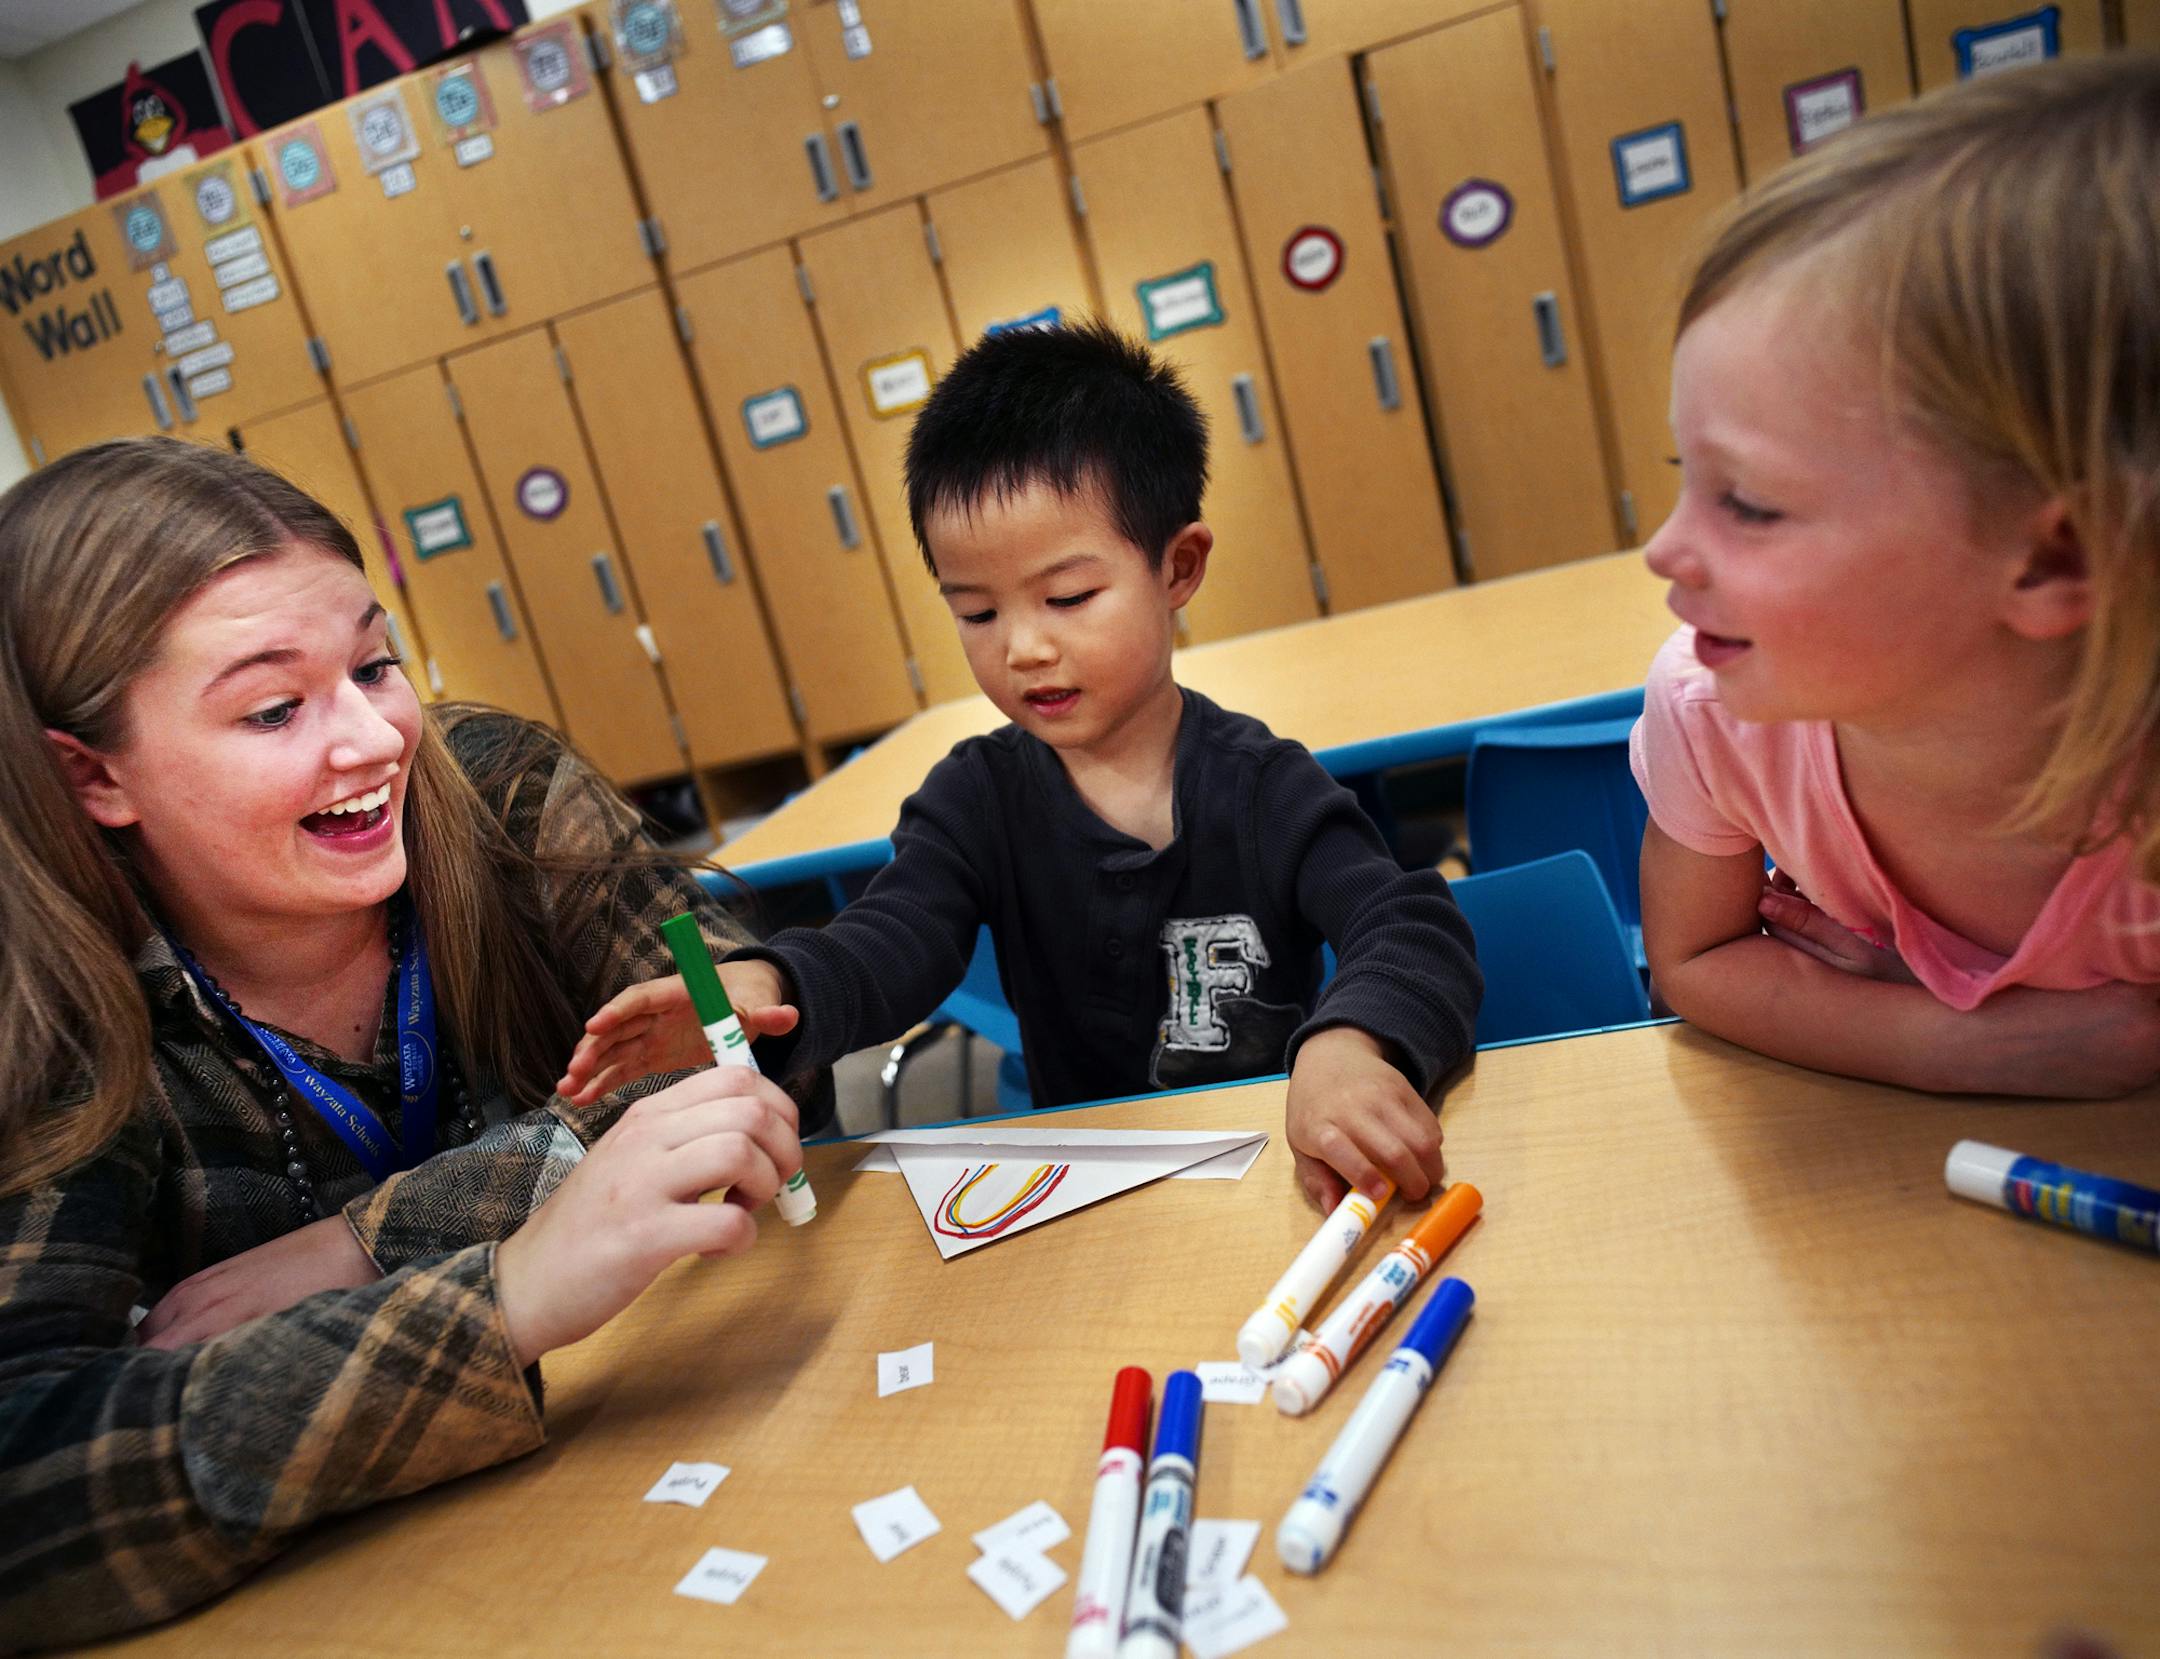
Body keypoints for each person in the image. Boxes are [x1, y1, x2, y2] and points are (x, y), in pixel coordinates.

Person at [0, 439, 812, 1649]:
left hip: (690, 1452)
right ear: (94, 776)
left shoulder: (503, 791)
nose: (380, 741)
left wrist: (362, 1244)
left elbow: (737, 1050)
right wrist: (512, 1292)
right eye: (275, 709)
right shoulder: (56, 1007)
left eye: (375, 665)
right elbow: (31, 1491)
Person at [564, 319, 1482, 1212]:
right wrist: (772, 987)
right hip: (1095, 1203)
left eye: (1069, 596)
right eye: (977, 613)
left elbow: (1411, 922)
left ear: (1179, 567)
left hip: (1278, 1182)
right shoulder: (976, 800)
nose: (1025, 648)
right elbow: (893, 940)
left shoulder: (1262, 785)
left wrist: (1351, 1045)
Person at [1632, 53, 2160, 1097]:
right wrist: (1969, 1040)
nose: (1662, 550)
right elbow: (1695, 962)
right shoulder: (1715, 710)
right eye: (1684, 478)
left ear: (2053, 558)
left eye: (1748, 502)